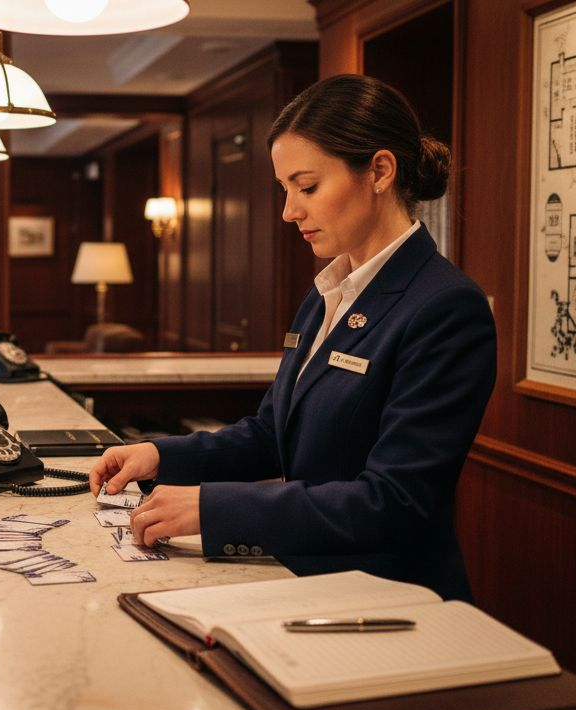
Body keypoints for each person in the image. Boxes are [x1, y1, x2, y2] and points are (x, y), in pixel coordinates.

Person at [90, 74, 495, 601]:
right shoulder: (328, 291)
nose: (289, 211)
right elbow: (270, 433)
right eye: (285, 190)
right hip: (304, 580)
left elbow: (393, 501)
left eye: (307, 187)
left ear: (379, 170)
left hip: (388, 598)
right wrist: (159, 456)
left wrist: (213, 508)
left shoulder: (444, 306)